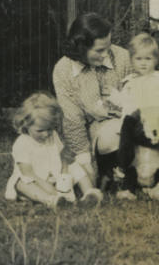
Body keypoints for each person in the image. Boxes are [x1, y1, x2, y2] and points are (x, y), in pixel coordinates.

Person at [53, 12, 132, 185]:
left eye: (108, 47)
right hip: (90, 136)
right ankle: (106, 171)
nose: (106, 54)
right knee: (108, 140)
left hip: (126, 125)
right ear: (81, 47)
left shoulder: (123, 58)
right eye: (99, 50)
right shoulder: (63, 70)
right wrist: (84, 160)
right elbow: (72, 118)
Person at [106, 32, 159, 199]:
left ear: (155, 60)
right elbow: (123, 102)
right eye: (138, 59)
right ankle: (125, 173)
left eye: (148, 59)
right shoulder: (130, 81)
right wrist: (113, 96)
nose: (143, 63)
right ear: (132, 60)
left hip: (157, 121)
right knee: (128, 121)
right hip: (137, 125)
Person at [5, 92, 103, 209]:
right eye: (40, 131)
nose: (46, 134)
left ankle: (89, 193)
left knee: (75, 166)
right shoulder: (22, 143)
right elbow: (28, 173)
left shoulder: (53, 136)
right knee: (21, 183)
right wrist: (51, 190)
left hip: (54, 176)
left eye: (50, 129)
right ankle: (50, 200)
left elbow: (62, 156)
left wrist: (64, 174)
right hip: (36, 181)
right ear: (26, 124)